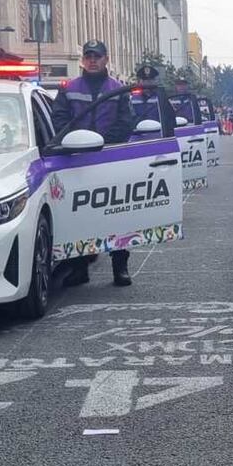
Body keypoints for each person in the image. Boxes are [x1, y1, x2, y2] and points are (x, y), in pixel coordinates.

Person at [51, 40, 136, 287]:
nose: (92, 60)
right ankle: (80, 268)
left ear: (106, 59)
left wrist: (102, 143)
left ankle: (120, 267)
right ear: (83, 60)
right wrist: (75, 142)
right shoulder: (69, 88)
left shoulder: (118, 88)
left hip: (110, 157)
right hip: (78, 159)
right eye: (88, 56)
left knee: (118, 214)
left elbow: (126, 122)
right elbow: (60, 118)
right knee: (80, 215)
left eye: (97, 56)